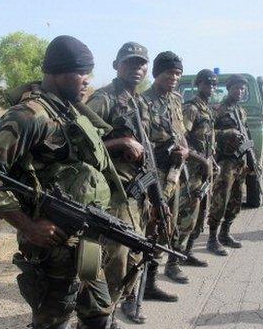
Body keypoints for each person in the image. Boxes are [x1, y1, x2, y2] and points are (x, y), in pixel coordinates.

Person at [0, 35, 119, 329]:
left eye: (89, 72)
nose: (87, 80)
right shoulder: (28, 116)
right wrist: (28, 226)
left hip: (85, 239)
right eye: (81, 72)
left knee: (98, 315)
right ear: (57, 72)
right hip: (50, 244)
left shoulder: (68, 110)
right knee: (52, 321)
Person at [85, 41, 169, 323]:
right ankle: (98, 318)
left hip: (139, 194)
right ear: (116, 65)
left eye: (141, 64)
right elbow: (80, 144)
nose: (137, 68)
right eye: (131, 63)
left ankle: (112, 311)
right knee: (114, 261)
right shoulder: (103, 99)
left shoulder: (138, 101)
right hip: (114, 195)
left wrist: (158, 199)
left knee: (135, 256)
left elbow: (148, 151)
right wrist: (120, 142)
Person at [142, 51, 190, 291]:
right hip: (155, 175)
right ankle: (139, 289)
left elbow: (180, 131)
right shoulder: (143, 101)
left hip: (175, 172)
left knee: (169, 225)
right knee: (151, 227)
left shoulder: (176, 99)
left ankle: (154, 279)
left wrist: (185, 150)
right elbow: (139, 141)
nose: (174, 77)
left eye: (178, 73)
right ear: (157, 73)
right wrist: (164, 152)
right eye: (169, 72)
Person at [206, 75, 250, 255]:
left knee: (236, 200)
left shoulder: (241, 112)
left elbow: (246, 134)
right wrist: (226, 133)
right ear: (228, 88)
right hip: (224, 162)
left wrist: (250, 159)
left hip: (239, 162)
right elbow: (208, 134)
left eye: (242, 89)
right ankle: (212, 238)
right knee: (220, 201)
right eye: (236, 88)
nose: (240, 91)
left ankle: (225, 233)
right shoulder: (217, 110)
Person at [179, 69, 217, 268]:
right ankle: (173, 263)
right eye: (207, 83)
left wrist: (212, 161)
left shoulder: (207, 109)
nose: (211, 87)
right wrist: (202, 160)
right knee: (187, 216)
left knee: (201, 214)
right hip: (191, 172)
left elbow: (209, 140)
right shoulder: (192, 108)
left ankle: (188, 252)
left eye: (213, 84)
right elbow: (181, 139)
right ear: (198, 84)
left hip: (205, 171)